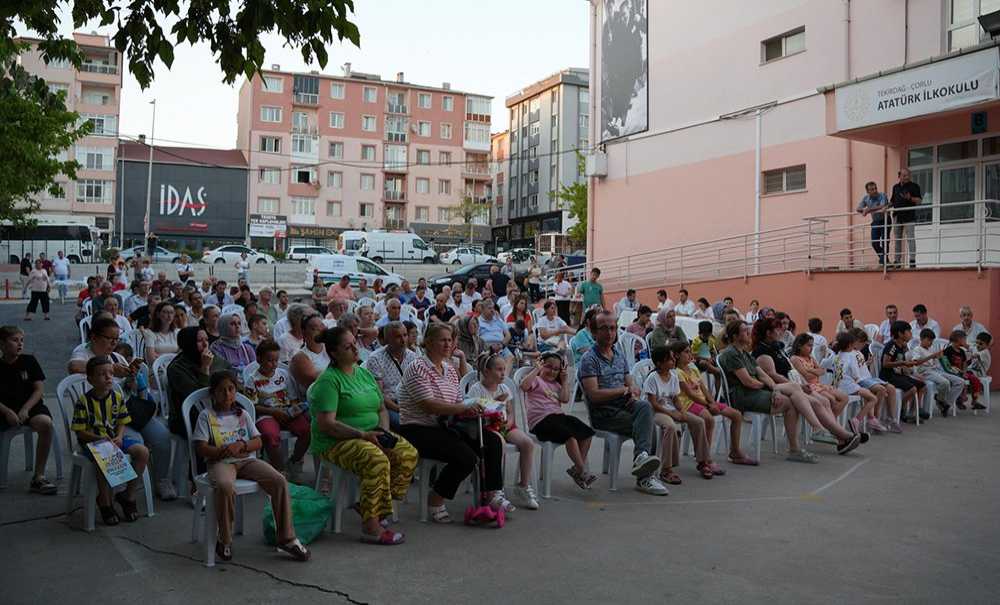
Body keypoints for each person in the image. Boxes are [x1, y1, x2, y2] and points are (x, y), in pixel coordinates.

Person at [307, 327, 417, 544]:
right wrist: (362, 435)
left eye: (354, 344)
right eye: (347, 347)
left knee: (407, 454)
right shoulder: (329, 380)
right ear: (334, 353)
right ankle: (371, 527)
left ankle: (371, 507)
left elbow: (381, 409)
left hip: (370, 433)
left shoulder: (363, 373)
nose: (355, 349)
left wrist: (383, 432)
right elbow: (327, 424)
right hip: (336, 441)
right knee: (376, 460)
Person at [397, 322, 507, 522]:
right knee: (465, 456)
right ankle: (436, 498)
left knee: (492, 441)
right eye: (442, 340)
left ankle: (492, 494)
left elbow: (458, 403)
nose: (448, 344)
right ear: (428, 342)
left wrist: (484, 406)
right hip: (417, 429)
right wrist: (465, 407)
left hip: (445, 425)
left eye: (450, 340)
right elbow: (429, 406)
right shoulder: (417, 367)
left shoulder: (449, 370)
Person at [194, 371, 309, 561]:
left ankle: (286, 537)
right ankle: (224, 539)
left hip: (246, 460)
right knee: (224, 485)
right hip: (221, 462)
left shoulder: (243, 414)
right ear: (213, 393)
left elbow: (258, 441)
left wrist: (243, 445)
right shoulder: (206, 416)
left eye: (230, 389)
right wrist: (222, 451)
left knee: (278, 480)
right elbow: (201, 447)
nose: (227, 394)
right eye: (221, 390)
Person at [579, 310, 665, 495]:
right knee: (647, 425)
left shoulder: (618, 355)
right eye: (604, 329)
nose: (610, 333)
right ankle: (645, 477)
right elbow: (594, 395)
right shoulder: (589, 359)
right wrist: (623, 390)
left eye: (613, 328)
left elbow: (630, 381)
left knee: (645, 408)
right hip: (604, 414)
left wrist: (633, 391)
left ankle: (642, 459)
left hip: (623, 406)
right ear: (594, 332)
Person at [719, 321, 820, 463]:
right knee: (792, 399)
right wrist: (772, 390)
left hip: (753, 392)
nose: (748, 333)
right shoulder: (731, 354)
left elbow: (763, 375)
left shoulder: (745, 354)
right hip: (741, 396)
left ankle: (799, 444)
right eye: (744, 331)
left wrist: (775, 390)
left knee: (792, 396)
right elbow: (748, 381)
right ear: (735, 336)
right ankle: (797, 446)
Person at [72, 355, 150, 526]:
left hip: (115, 438)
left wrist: (120, 437)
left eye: (110, 373)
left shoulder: (116, 397)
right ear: (91, 379)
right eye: (102, 374)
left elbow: (122, 421)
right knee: (104, 458)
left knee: (142, 452)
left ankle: (128, 496)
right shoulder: (83, 402)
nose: (108, 377)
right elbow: (80, 432)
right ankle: (105, 502)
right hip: (93, 441)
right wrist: (99, 438)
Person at [467, 352, 538, 509]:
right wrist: (493, 403)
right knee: (498, 444)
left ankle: (523, 485)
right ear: (486, 371)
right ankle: (495, 490)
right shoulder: (476, 389)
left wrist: (509, 422)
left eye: (504, 369)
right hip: (486, 428)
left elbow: (511, 411)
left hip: (505, 425)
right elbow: (473, 415)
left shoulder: (504, 387)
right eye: (498, 369)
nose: (502, 373)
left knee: (527, 443)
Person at [520, 352, 596, 488]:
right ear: (541, 365)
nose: (552, 371)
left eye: (556, 369)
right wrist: (536, 369)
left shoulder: (556, 385)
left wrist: (565, 380)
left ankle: (576, 469)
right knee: (570, 437)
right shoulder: (536, 381)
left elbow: (565, 399)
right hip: (540, 422)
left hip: (558, 418)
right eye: (548, 367)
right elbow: (524, 386)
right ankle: (582, 471)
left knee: (587, 433)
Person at [240, 339, 309, 479]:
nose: (274, 364)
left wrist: (295, 408)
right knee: (270, 436)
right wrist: (273, 412)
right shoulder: (252, 380)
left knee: (307, 431)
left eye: (276, 360)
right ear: (259, 359)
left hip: (287, 411)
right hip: (266, 414)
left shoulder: (283, 375)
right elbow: (252, 406)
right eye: (269, 360)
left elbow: (293, 397)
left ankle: (294, 461)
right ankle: (280, 470)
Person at [0, 326, 57, 494]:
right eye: (14, 340)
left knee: (45, 423)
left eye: (22, 341)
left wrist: (25, 409)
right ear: (2, 344)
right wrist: (7, 411)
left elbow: (39, 389)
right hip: (4, 408)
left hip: (30, 405)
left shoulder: (29, 361)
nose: (19, 344)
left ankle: (38, 476)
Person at [642, 345, 711, 484]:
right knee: (671, 427)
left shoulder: (673, 376)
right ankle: (666, 469)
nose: (673, 361)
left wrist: (682, 412)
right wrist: (672, 414)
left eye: (673, 358)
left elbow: (675, 398)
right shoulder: (652, 378)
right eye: (670, 359)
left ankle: (703, 461)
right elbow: (654, 404)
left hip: (670, 408)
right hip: (655, 411)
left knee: (698, 422)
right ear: (659, 363)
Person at [674, 341, 751, 464]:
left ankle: (735, 451)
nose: (690, 355)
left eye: (690, 351)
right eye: (686, 352)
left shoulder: (693, 369)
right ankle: (705, 457)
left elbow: (704, 389)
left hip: (703, 402)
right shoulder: (677, 373)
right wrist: (708, 405)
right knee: (708, 419)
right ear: (677, 355)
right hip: (688, 404)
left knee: (736, 415)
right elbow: (690, 394)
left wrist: (712, 402)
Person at [166, 326, 232, 438]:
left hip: (219, 409)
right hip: (188, 416)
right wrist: (205, 368)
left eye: (206, 340)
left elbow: (229, 377)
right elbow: (198, 398)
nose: (206, 344)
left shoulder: (215, 360)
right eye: (200, 341)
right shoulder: (176, 368)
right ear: (189, 343)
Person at [362, 322, 418, 431]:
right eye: (398, 336)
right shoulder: (376, 358)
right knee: (407, 425)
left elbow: (418, 386)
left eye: (405, 335)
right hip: (388, 405)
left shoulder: (413, 356)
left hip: (410, 402)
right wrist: (400, 409)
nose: (403, 340)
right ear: (387, 340)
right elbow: (379, 394)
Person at [880, 321, 927, 423]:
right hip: (888, 376)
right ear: (900, 334)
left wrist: (909, 368)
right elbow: (885, 364)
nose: (911, 333)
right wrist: (902, 363)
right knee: (912, 389)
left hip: (898, 375)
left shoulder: (903, 346)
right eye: (908, 331)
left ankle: (913, 412)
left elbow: (902, 364)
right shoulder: (892, 346)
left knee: (922, 385)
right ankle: (900, 407)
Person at [911, 328, 962, 416]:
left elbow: (938, 363)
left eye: (932, 341)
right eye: (929, 340)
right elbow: (916, 362)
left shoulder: (931, 349)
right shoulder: (917, 349)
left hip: (936, 370)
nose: (930, 343)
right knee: (945, 383)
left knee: (960, 382)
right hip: (925, 372)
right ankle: (940, 400)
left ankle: (945, 403)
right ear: (922, 339)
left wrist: (941, 359)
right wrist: (932, 356)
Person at [941, 329, 985, 410]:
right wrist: (954, 371)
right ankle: (959, 400)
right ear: (959, 339)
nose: (965, 341)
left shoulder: (962, 351)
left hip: (962, 371)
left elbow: (964, 363)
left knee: (974, 379)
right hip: (951, 372)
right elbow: (945, 363)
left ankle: (975, 401)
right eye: (964, 339)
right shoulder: (948, 350)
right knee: (961, 380)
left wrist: (964, 371)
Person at [290, 314, 331, 392]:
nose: (321, 330)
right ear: (304, 333)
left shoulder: (331, 347)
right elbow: (317, 381)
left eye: (322, 325)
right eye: (314, 328)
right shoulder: (299, 358)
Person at [890, 168, 922, 268]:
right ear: (899, 176)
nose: (906, 177)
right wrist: (886, 207)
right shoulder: (895, 187)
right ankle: (897, 261)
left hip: (909, 216)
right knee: (897, 239)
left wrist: (910, 198)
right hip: (897, 216)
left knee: (911, 239)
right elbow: (893, 201)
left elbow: (919, 201)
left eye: (908, 175)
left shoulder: (914, 186)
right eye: (904, 175)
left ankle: (912, 261)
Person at [857, 181, 891, 265]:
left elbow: (882, 206)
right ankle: (884, 259)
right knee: (874, 243)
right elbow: (858, 208)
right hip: (875, 221)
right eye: (872, 189)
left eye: (875, 188)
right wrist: (864, 210)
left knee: (885, 241)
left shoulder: (882, 195)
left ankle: (883, 261)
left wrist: (868, 210)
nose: (875, 190)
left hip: (885, 220)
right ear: (868, 192)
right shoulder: (866, 198)